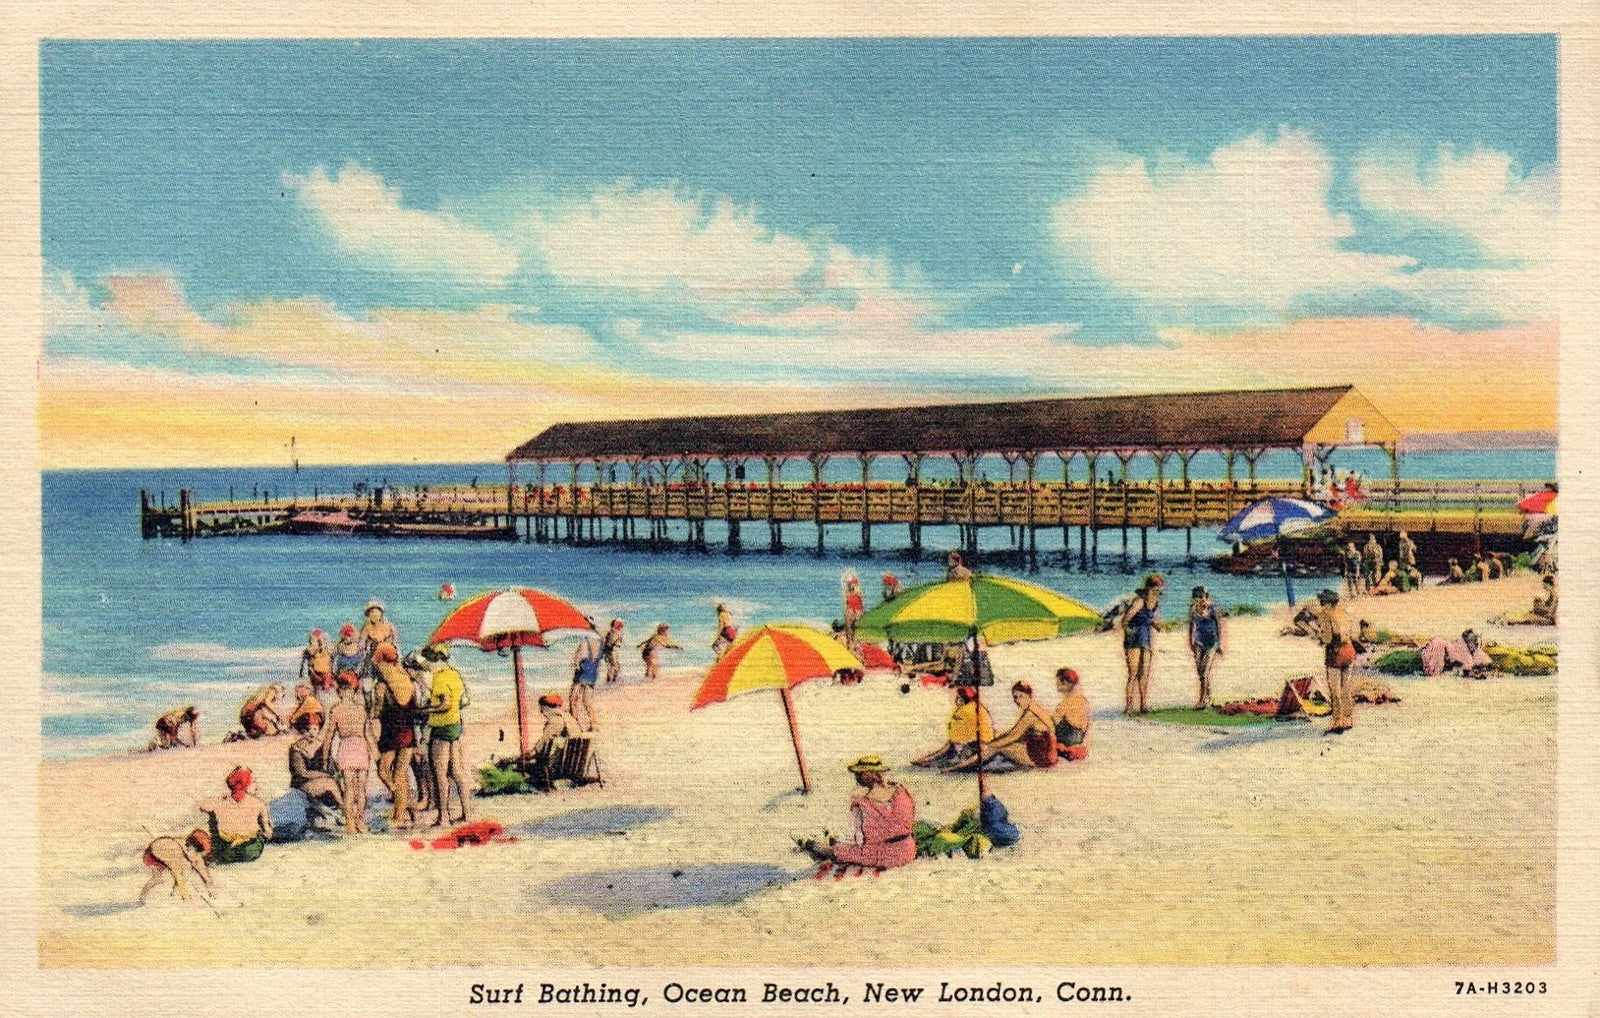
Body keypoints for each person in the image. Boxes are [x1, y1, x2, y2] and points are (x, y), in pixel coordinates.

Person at [799, 756, 916, 871]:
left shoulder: (862, 802)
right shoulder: (901, 792)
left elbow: (859, 839)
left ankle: (819, 848)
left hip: (884, 854)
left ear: (870, 775)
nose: (857, 777)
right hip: (908, 850)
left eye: (860, 773)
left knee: (841, 852)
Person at [315, 670, 377, 834]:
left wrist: (325, 758)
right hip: (360, 748)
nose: (343, 692)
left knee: (349, 788)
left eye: (343, 689)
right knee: (360, 789)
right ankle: (360, 821)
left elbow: (329, 737)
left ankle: (351, 823)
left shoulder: (336, 710)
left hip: (346, 748)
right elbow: (368, 735)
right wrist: (375, 753)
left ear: (340, 691)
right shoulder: (361, 709)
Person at [944, 682, 1056, 772]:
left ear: (1029, 696)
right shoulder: (1033, 709)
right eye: (1015, 697)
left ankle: (958, 767)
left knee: (997, 748)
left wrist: (990, 745)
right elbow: (1013, 732)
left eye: (1020, 696)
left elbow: (1012, 737)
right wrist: (995, 739)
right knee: (998, 743)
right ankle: (973, 760)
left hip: (1042, 758)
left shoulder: (1031, 714)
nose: (1017, 701)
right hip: (1046, 754)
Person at [420, 643, 470, 828]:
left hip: (441, 727)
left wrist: (425, 709)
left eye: (427, 663)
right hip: (455, 725)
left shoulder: (439, 677)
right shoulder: (454, 674)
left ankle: (444, 817)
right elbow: (464, 700)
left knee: (439, 774)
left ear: (435, 661)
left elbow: (445, 704)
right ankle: (467, 812)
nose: (427, 666)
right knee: (456, 771)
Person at [370, 644, 418, 829]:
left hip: (391, 731)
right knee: (401, 774)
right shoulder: (405, 678)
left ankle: (399, 812)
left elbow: (375, 711)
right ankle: (400, 813)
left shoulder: (382, 685)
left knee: (383, 771)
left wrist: (371, 709)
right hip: (407, 731)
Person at [195, 767, 273, 864]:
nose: (256, 786)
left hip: (227, 853)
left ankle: (217, 848)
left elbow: (202, 806)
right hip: (251, 851)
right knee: (260, 830)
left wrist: (221, 802)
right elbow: (268, 833)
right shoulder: (258, 804)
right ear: (246, 784)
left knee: (213, 817)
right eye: (253, 782)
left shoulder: (220, 803)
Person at [911, 686, 994, 768]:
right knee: (945, 751)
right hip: (966, 742)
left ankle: (931, 762)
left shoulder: (970, 709)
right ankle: (928, 761)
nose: (956, 699)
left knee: (951, 753)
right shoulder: (969, 708)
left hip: (974, 744)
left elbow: (969, 731)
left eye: (959, 697)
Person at [287, 713, 343, 830]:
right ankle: (345, 809)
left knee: (337, 782)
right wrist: (324, 775)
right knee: (330, 784)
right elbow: (303, 773)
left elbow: (330, 765)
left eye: (315, 729)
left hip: (321, 782)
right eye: (308, 729)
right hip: (302, 785)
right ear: (302, 730)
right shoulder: (297, 748)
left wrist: (334, 771)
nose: (312, 733)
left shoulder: (321, 745)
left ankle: (338, 810)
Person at [1120, 574, 1163, 714]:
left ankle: (1143, 704)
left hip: (1145, 638)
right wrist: (1130, 632)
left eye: (1157, 591)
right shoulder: (1139, 602)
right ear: (1147, 589)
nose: (1155, 593)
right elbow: (1125, 621)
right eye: (1153, 590)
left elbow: (1158, 624)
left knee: (1144, 674)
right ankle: (1129, 706)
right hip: (1134, 639)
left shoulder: (1155, 604)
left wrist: (1156, 624)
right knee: (1133, 673)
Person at [1315, 590, 1356, 734]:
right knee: (1346, 688)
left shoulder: (1326, 616)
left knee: (1335, 690)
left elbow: (1327, 639)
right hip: (1349, 651)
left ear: (1327, 604)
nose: (1320, 606)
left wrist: (1318, 637)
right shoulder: (1343, 614)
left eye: (1322, 603)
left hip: (1336, 654)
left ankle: (1337, 721)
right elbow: (1351, 634)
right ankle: (1348, 718)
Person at [138, 829, 214, 904]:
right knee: (165, 877)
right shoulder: (175, 850)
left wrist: (208, 883)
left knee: (163, 878)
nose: (198, 857)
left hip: (160, 854)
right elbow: (179, 876)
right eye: (198, 854)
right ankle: (143, 899)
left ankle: (170, 896)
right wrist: (186, 899)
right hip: (153, 856)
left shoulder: (189, 849)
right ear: (191, 847)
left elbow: (200, 866)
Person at [1187, 586, 1225, 710]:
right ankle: (1209, 697)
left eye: (1202, 596)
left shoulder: (1212, 607)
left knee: (1204, 672)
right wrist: (1191, 642)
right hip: (1199, 642)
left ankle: (1201, 701)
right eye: (1197, 597)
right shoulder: (1193, 609)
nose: (1200, 600)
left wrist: (1220, 644)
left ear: (1206, 596)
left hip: (1212, 642)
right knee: (1200, 672)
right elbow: (1191, 627)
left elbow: (1219, 625)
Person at [569, 622, 602, 732]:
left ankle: (575, 725)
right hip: (592, 675)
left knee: (573, 699)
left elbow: (580, 658)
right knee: (588, 702)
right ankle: (594, 725)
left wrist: (574, 662)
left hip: (582, 674)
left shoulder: (586, 640)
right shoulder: (599, 640)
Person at [1052, 668, 1091, 758]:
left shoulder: (1066, 702)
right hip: (1079, 738)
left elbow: (1052, 722)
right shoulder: (1083, 700)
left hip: (1068, 739)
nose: (1056, 684)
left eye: (1058, 682)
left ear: (1065, 683)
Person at [531, 692, 579, 761]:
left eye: (542, 709)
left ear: (548, 708)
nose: (541, 712)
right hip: (569, 762)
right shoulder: (568, 718)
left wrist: (515, 759)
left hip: (555, 766)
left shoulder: (555, 722)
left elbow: (537, 750)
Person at [359, 601, 398, 676]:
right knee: (368, 667)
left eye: (376, 611)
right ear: (369, 615)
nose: (374, 614)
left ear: (381, 613)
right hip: (373, 652)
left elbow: (395, 637)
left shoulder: (389, 625)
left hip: (388, 651)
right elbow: (362, 640)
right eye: (372, 612)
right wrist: (362, 647)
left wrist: (393, 645)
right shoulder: (367, 627)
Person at [842, 575, 865, 650]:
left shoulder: (858, 592)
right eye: (850, 584)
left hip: (857, 610)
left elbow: (861, 604)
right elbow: (846, 603)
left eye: (852, 583)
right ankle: (850, 640)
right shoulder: (847, 592)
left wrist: (859, 613)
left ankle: (853, 641)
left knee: (853, 624)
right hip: (851, 609)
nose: (851, 585)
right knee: (848, 623)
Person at [601, 619, 625, 684]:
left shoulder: (611, 632)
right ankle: (612, 681)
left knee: (612, 666)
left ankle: (609, 681)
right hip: (611, 651)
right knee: (615, 666)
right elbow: (616, 643)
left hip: (609, 651)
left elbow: (607, 642)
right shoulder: (614, 632)